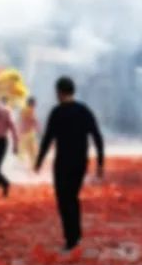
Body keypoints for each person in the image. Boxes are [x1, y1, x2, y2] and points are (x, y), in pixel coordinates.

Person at [35, 76, 105, 251]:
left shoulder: (56, 112)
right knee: (72, 197)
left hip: (62, 162)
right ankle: (75, 235)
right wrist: (100, 163)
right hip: (80, 162)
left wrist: (39, 161)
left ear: (59, 92)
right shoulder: (84, 111)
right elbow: (97, 136)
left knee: (63, 199)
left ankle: (71, 237)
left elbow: (47, 139)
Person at [18, 97, 39, 166]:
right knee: (32, 151)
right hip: (29, 133)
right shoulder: (30, 110)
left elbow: (21, 121)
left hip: (22, 133)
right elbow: (34, 121)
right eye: (35, 103)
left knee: (22, 151)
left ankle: (20, 165)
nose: (35, 105)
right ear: (32, 103)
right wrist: (38, 129)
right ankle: (33, 165)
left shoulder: (23, 110)